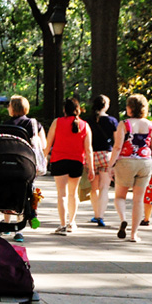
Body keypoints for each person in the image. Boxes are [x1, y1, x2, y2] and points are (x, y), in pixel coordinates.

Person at [107, 94, 152, 243]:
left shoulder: (124, 124)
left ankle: (123, 219)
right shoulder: (151, 126)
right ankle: (134, 234)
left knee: (119, 196)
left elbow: (117, 147)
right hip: (145, 163)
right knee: (138, 200)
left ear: (129, 108)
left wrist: (110, 165)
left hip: (126, 162)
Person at [45, 98, 95, 236]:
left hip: (59, 160)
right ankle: (71, 223)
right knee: (73, 194)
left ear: (64, 110)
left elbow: (49, 143)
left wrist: (43, 158)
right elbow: (89, 149)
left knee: (62, 194)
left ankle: (62, 224)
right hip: (76, 162)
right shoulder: (85, 125)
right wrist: (91, 168)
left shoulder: (57, 122)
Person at [3, 95, 46, 242]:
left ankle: (6, 225)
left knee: (8, 192)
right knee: (24, 193)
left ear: (12, 107)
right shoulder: (34, 124)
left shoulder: (6, 125)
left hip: (8, 165)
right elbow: (44, 144)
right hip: (27, 165)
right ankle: (19, 230)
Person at [86, 95, 118, 228]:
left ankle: (95, 213)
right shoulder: (112, 121)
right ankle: (101, 216)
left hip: (92, 156)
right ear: (106, 105)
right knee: (104, 187)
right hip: (106, 155)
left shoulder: (89, 120)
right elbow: (117, 141)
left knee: (94, 188)